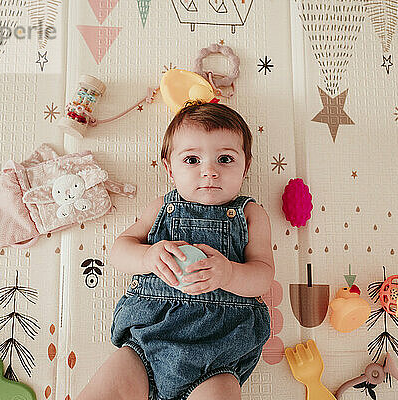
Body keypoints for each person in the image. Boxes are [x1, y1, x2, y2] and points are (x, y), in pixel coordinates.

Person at [77, 102, 274, 400]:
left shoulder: (251, 214)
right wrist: (148, 256)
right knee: (106, 391)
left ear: (245, 167)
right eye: (192, 160)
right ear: (169, 169)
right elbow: (118, 251)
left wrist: (230, 273)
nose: (209, 172)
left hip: (218, 350)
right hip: (149, 338)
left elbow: (263, 276)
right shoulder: (161, 208)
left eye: (225, 159)